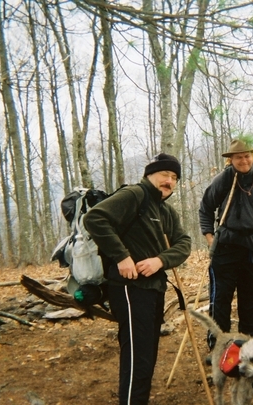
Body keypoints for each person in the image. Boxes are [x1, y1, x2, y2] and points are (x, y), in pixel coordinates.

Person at [84, 153, 191, 405]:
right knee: (137, 356)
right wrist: (122, 257)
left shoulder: (165, 210)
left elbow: (184, 243)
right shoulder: (135, 195)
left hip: (154, 288)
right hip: (130, 288)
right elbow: (95, 219)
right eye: (165, 174)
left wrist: (160, 261)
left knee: (147, 356)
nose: (169, 181)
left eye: (174, 177)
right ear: (149, 175)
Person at [199, 138, 253, 352]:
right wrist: (210, 237)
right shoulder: (224, 179)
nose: (244, 160)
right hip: (226, 246)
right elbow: (206, 209)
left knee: (252, 299)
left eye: (247, 156)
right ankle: (219, 347)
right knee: (220, 299)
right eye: (239, 157)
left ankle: (249, 347)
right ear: (231, 159)